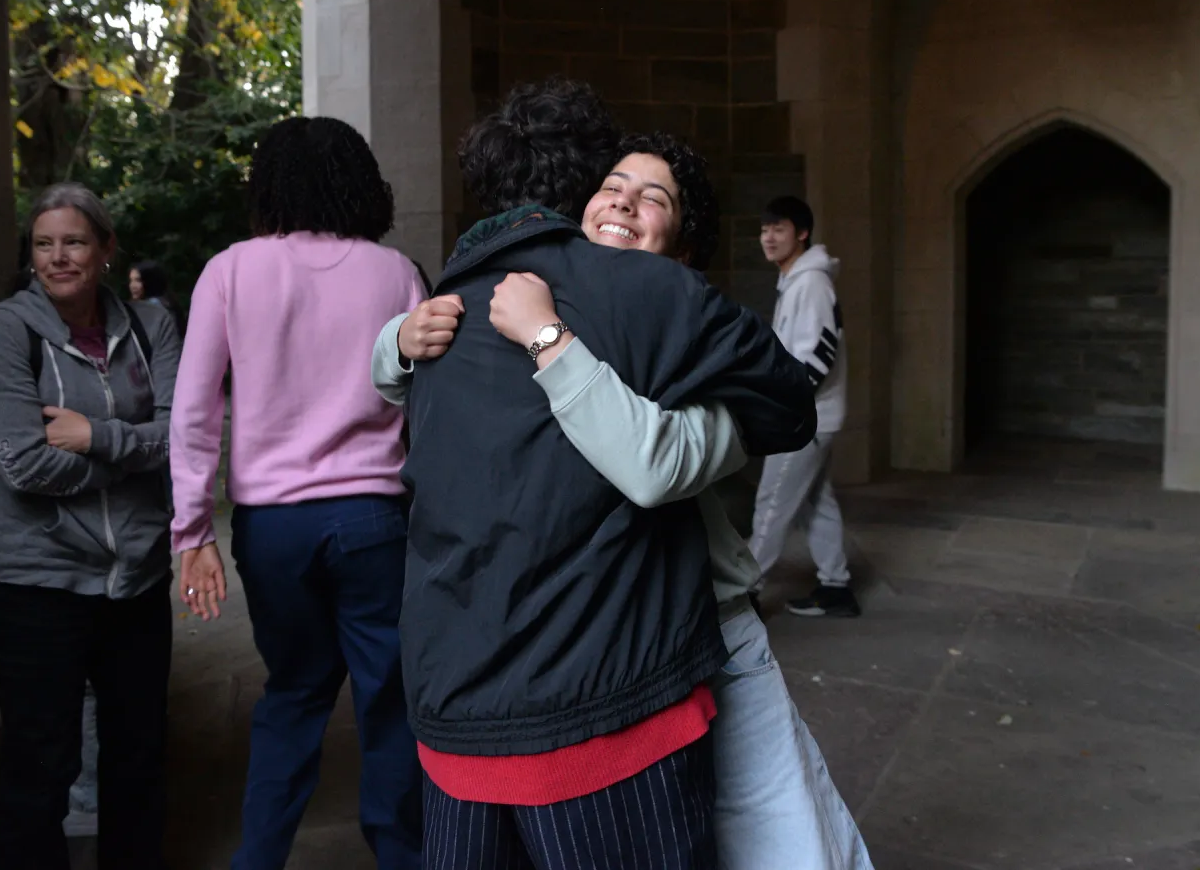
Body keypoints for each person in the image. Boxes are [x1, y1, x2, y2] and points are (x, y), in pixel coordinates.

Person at [375, 135, 875, 869]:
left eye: (655, 198)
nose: (625, 201)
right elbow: (439, 398)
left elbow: (651, 463)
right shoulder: (545, 298)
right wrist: (398, 342)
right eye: (614, 184)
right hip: (578, 642)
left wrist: (551, 341)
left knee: (783, 836)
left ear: (681, 256)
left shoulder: (697, 360)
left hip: (706, 624)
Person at [168, 116, 426, 870]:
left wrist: (192, 535)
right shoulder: (395, 273)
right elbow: (424, 404)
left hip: (272, 529)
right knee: (391, 699)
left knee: (294, 693)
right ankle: (402, 854)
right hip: (376, 520)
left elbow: (192, 411)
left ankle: (260, 857)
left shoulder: (230, 270)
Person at [0, 182, 181, 870]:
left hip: (137, 581)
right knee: (40, 767)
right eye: (44, 244)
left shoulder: (152, 326)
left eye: (76, 241)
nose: (59, 257)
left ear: (106, 249)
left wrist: (96, 437)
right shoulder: (3, 330)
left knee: (138, 759)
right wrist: (131, 450)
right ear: (30, 254)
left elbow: (187, 435)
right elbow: (22, 465)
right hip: (40, 584)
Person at [750, 196, 858, 618]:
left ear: (802, 233)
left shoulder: (811, 283)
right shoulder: (798, 280)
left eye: (778, 228)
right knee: (817, 503)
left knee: (772, 504)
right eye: (764, 230)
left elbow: (820, 352)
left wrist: (785, 406)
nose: (768, 237)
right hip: (815, 416)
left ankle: (741, 594)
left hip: (805, 420)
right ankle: (837, 587)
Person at [129, 258, 186, 335]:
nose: (133, 286)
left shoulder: (155, 307)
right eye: (131, 280)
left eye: (138, 280)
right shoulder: (166, 302)